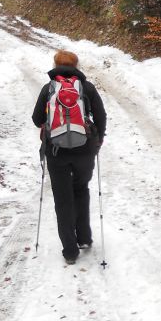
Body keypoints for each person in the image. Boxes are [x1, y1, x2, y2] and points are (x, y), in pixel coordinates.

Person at [32, 49, 107, 264]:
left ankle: (70, 251)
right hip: (84, 150)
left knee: (63, 199)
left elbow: (37, 119)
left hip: (56, 152)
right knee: (81, 189)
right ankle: (84, 238)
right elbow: (101, 115)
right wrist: (98, 139)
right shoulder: (87, 88)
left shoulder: (49, 89)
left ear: (55, 65)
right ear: (77, 66)